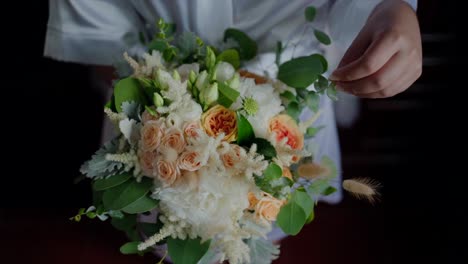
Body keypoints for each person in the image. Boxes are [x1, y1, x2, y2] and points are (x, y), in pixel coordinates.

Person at [44, 0, 421, 245]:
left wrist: (391, 8)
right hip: (153, 116)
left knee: (262, 235)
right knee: (163, 240)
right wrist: (175, 110)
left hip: (285, 111)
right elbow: (96, 34)